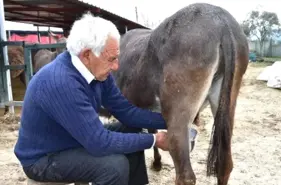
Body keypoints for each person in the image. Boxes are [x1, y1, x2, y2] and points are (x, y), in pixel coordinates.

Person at [14, 12, 169, 185]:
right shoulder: (62, 83)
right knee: (114, 167)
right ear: (87, 55)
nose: (116, 66)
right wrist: (155, 140)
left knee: (132, 128)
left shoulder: (98, 73)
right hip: (44, 157)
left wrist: (171, 121)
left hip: (73, 137)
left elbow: (126, 111)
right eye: (111, 59)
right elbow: (99, 142)